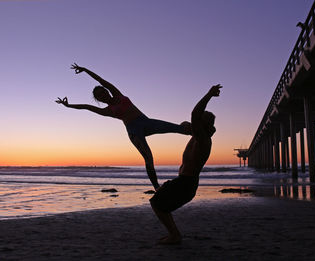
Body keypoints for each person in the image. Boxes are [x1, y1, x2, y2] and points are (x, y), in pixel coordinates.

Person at [56, 63, 191, 190]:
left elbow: (101, 80)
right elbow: (86, 107)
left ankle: (195, 131)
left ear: (106, 91)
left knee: (178, 128)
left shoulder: (117, 93)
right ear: (99, 100)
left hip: (146, 122)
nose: (102, 95)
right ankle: (157, 187)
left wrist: (85, 70)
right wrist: (68, 105)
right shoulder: (107, 111)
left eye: (102, 92)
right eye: (98, 96)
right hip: (134, 132)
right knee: (149, 159)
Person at [149, 84, 221, 245]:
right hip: (183, 181)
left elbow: (194, 114)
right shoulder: (197, 135)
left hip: (186, 183)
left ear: (203, 124)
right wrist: (184, 126)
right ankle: (174, 235)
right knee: (160, 204)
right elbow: (190, 122)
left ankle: (175, 235)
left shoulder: (203, 140)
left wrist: (209, 94)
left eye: (198, 121)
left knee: (156, 203)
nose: (194, 122)